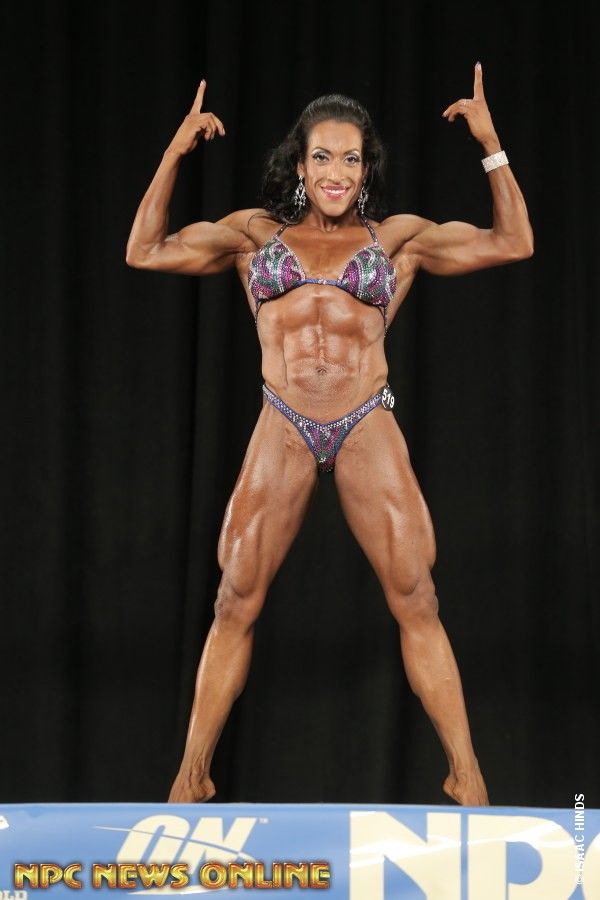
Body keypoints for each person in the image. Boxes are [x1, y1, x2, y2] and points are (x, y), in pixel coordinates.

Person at [126, 62, 533, 806]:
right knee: (233, 600)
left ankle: (468, 777)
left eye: (351, 158)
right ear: (300, 165)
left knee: (416, 596)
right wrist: (174, 152)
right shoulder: (255, 235)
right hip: (283, 420)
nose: (336, 172)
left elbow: (513, 242)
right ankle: (190, 778)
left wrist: (490, 144)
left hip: (363, 419)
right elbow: (144, 250)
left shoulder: (398, 239)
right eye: (322, 157)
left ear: (366, 168)